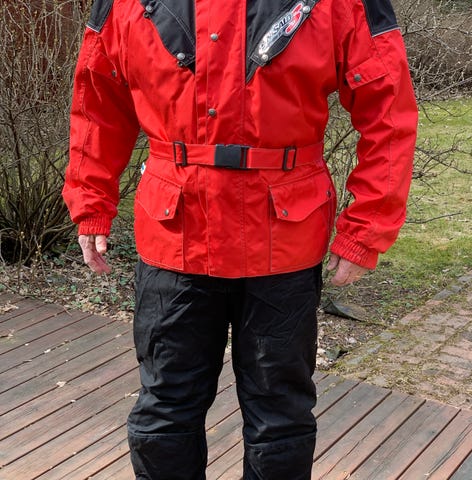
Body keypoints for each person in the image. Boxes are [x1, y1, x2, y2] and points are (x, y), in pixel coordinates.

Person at [62, 0, 417, 478]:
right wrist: (90, 202)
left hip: (283, 243)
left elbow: (388, 109)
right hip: (176, 237)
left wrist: (367, 227)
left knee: (280, 414)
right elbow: (97, 99)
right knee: (166, 406)